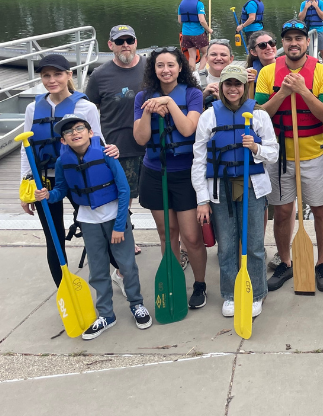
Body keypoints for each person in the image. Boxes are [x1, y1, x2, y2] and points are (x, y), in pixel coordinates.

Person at [36, 114, 150, 336]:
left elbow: (124, 189)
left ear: (91, 133)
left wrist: (119, 226)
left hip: (115, 217)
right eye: (68, 132)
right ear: (63, 140)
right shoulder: (62, 162)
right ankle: (106, 315)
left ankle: (136, 303)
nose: (74, 133)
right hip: (88, 220)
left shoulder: (106, 154)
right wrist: (47, 195)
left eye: (79, 128)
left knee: (126, 265)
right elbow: (61, 190)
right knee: (97, 270)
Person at [190, 62, 277, 319]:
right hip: (219, 187)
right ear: (222, 86)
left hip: (252, 185)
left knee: (254, 245)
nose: (233, 88)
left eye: (238, 84)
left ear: (245, 86)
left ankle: (257, 292)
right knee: (227, 245)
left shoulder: (259, 116)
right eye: (228, 83)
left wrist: (256, 148)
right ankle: (229, 293)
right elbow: (199, 160)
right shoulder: (209, 116)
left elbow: (273, 153)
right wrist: (202, 200)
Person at [256, 21, 323, 294]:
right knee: (281, 211)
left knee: (320, 209)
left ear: (306, 42)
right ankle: (286, 262)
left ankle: (322, 263)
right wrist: (283, 93)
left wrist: (303, 90)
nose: (294, 43)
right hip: (279, 156)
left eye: (299, 38)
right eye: (289, 38)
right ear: (283, 43)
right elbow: (260, 115)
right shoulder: (268, 73)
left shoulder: (322, 72)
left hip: (313, 154)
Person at [23, 53, 109, 285]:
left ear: (68, 75)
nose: (52, 80)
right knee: (54, 237)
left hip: (77, 177)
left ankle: (117, 274)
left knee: (98, 229)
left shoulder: (85, 106)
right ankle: (64, 288)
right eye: (46, 75)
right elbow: (26, 148)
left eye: (57, 74)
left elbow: (98, 142)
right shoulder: (33, 108)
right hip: (45, 182)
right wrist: (26, 187)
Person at [132, 47, 208, 308]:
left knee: (192, 236)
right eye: (160, 66)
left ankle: (200, 285)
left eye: (171, 65)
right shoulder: (143, 97)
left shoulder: (193, 94)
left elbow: (188, 129)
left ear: (179, 68)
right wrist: (148, 111)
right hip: (154, 172)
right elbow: (141, 138)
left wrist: (169, 103)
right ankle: (173, 281)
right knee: (167, 233)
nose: (165, 70)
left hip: (184, 175)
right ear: (154, 70)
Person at [85, 26, 145, 224]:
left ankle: (169, 238)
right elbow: (88, 110)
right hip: (118, 147)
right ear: (111, 45)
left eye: (130, 40)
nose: (125, 45)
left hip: (151, 144)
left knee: (159, 196)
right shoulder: (99, 75)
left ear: (136, 42)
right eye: (120, 42)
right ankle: (126, 235)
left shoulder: (151, 67)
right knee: (122, 197)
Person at [297, 0, 323, 68]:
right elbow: (301, 18)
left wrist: (316, 7)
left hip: (319, 31)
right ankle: (310, 69)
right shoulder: (304, 4)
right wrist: (306, 8)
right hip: (308, 32)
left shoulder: (321, 3)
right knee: (308, 53)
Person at [177, 0, 210, 65]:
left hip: (185, 34)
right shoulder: (199, 4)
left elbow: (180, 21)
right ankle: (200, 71)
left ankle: (193, 73)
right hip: (198, 33)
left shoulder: (181, 4)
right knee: (206, 53)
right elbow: (202, 20)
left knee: (192, 56)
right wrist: (209, 30)